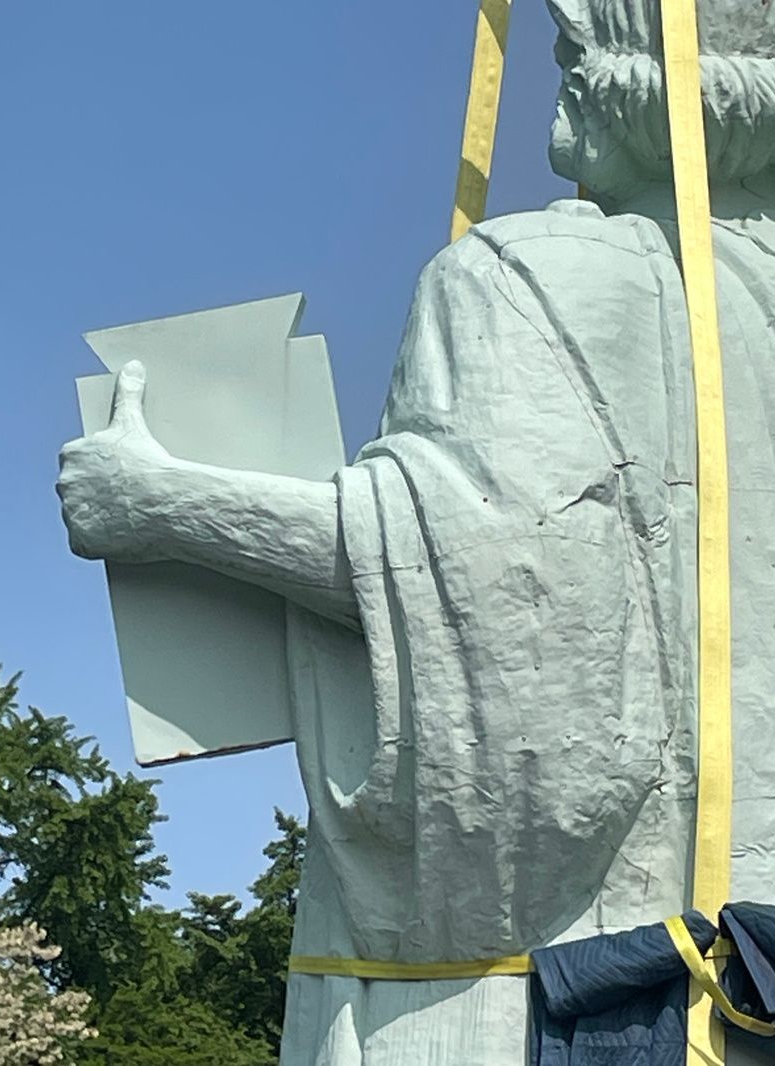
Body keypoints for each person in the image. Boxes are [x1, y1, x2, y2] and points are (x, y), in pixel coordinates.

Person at [58, 2, 775, 1062]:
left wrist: (161, 504)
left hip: (581, 996)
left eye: (574, 46)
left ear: (644, 79)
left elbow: (479, 581)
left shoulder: (537, 279)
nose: (557, 72)